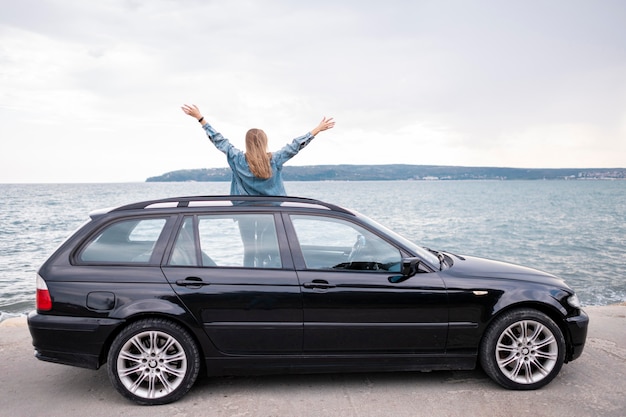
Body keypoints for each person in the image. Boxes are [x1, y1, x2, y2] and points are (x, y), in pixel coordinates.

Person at [181, 104, 335, 196]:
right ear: (265, 142)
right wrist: (317, 130)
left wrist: (200, 119)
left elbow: (219, 140)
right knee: (272, 248)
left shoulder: (237, 159)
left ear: (247, 143)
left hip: (245, 212)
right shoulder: (274, 160)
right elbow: (295, 146)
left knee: (249, 249)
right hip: (272, 213)